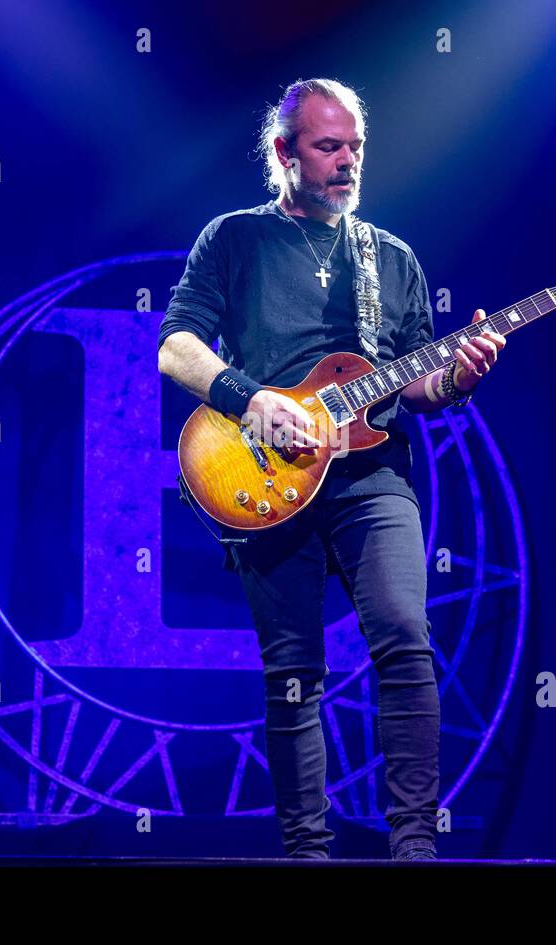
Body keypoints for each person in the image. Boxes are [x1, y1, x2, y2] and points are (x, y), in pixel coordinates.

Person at [156, 78, 505, 861]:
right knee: (294, 672)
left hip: (370, 476)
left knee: (406, 637)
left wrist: (456, 378)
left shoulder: (390, 258)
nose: (348, 162)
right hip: (266, 477)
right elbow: (176, 347)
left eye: (355, 146)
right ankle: (307, 854)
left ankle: (415, 847)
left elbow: (414, 383)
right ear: (284, 153)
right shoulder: (234, 239)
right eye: (328, 147)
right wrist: (251, 402)